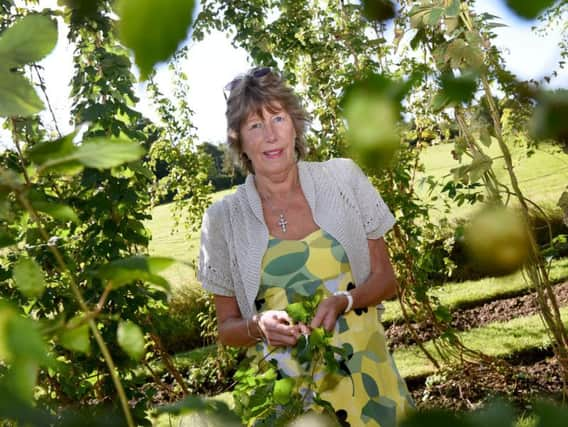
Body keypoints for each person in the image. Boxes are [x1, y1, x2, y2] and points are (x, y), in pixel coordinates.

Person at [198, 67, 414, 426]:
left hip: (370, 378)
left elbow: (386, 278)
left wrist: (345, 300)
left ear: (294, 124)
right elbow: (227, 328)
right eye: (255, 125)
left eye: (278, 118)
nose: (271, 135)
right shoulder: (223, 218)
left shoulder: (343, 178)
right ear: (240, 142)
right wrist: (258, 325)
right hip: (291, 400)